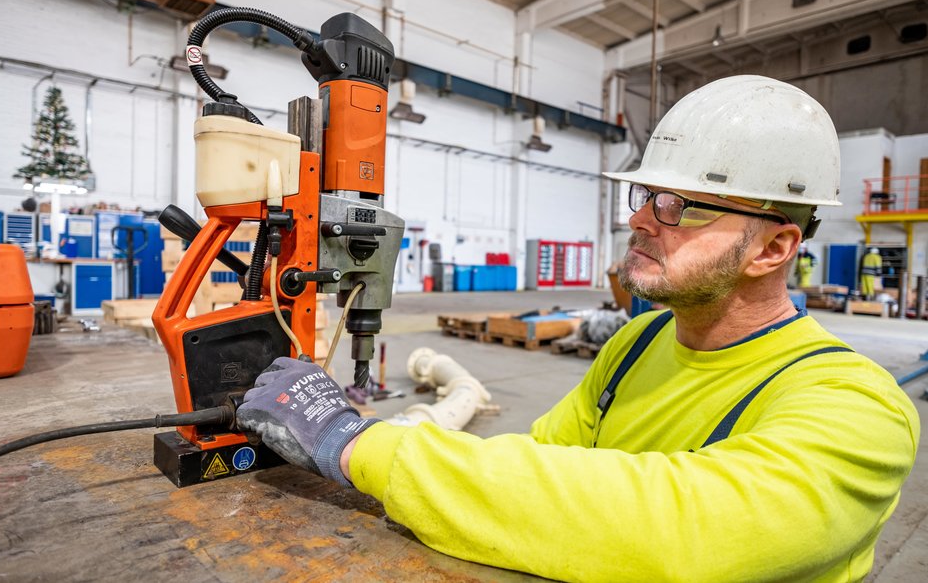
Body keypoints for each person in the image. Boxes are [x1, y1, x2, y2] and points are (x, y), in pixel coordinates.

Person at [237, 76, 919, 582]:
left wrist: (359, 443)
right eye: (646, 196)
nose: (643, 219)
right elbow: (541, 465)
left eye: (681, 206)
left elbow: (683, 529)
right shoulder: (635, 344)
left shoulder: (856, 407)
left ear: (773, 248)